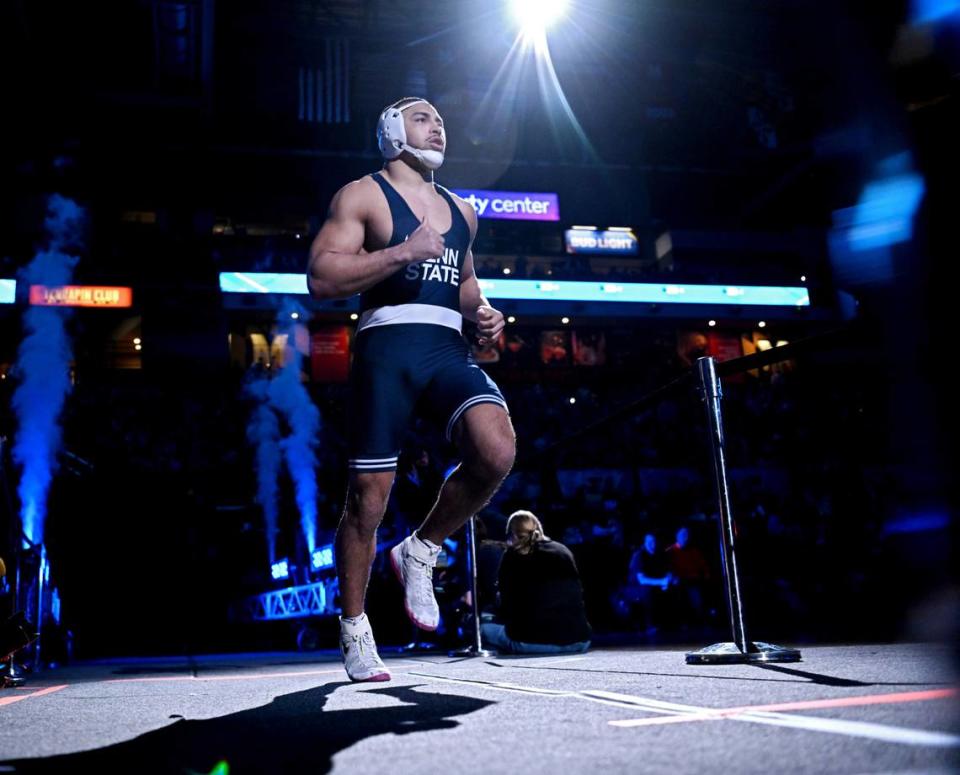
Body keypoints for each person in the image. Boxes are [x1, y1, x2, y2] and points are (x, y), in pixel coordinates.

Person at [307, 97, 516, 682]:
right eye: (423, 117)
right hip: (387, 349)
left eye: (442, 118)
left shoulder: (462, 211)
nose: (438, 125)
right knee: (367, 498)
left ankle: (421, 547)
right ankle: (354, 629)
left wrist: (487, 312)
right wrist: (401, 250)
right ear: (393, 131)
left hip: (447, 347)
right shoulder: (363, 195)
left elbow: (465, 280)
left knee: (496, 450)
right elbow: (321, 276)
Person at [481, 510, 592, 654]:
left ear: (513, 535)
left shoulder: (512, 556)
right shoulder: (563, 550)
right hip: (579, 640)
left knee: (480, 627)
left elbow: (506, 605)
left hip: (533, 641)